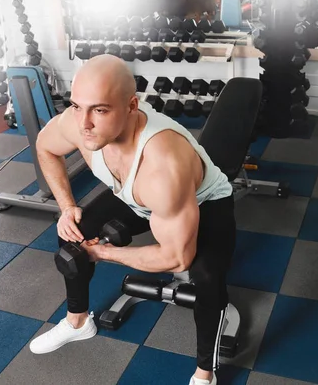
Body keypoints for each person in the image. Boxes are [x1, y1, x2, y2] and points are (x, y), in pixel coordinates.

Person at [29, 54, 236, 385]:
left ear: (131, 105)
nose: (84, 123)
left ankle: (204, 372)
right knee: (74, 232)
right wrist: (67, 206)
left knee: (207, 276)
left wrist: (104, 252)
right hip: (134, 197)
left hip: (203, 201)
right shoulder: (75, 124)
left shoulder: (163, 165)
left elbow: (175, 257)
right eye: (77, 106)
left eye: (100, 109)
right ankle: (78, 321)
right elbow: (45, 149)